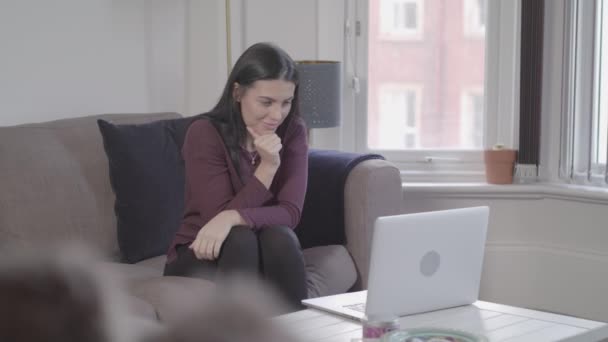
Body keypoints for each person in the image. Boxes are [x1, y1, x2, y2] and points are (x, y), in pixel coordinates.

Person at [164, 42, 308, 310]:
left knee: (280, 236)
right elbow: (215, 218)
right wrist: (267, 168)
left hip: (260, 239)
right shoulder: (204, 133)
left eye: (286, 102)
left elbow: (290, 212)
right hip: (201, 246)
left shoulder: (294, 131)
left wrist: (233, 217)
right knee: (240, 238)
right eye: (266, 102)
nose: (277, 115)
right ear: (238, 92)